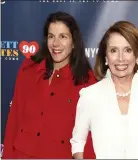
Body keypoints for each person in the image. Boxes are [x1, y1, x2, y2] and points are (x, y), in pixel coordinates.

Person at [70, 21, 138, 159]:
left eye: (128, 50)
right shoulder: (89, 96)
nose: (120, 58)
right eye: (113, 50)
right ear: (106, 57)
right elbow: (78, 142)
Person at [2, 11, 96, 159]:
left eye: (63, 37)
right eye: (51, 36)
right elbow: (14, 119)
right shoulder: (29, 69)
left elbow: (89, 139)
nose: (55, 43)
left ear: (74, 42)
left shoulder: (87, 82)